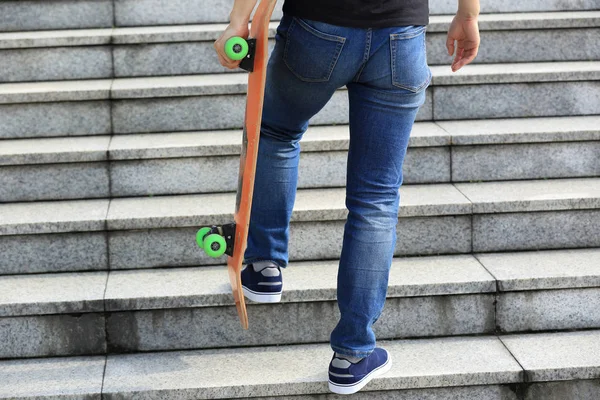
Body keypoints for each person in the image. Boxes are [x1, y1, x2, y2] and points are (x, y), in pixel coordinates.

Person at [214, 0, 480, 395]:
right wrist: (468, 15)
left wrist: (239, 19)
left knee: (275, 132)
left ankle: (265, 263)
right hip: (400, 34)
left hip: (319, 26)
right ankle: (353, 354)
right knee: (376, 197)